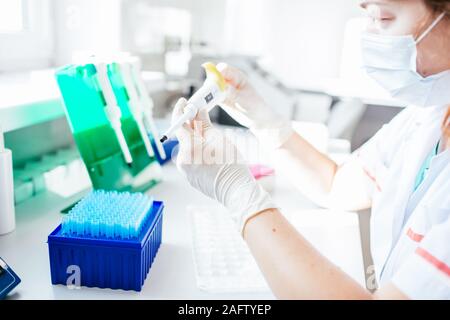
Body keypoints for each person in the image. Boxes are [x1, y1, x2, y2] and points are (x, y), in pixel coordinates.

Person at [172, 0, 450, 299]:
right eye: (367, 16)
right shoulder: (426, 115)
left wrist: (237, 192)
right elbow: (337, 185)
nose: (369, 34)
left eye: (383, 16)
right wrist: (261, 117)